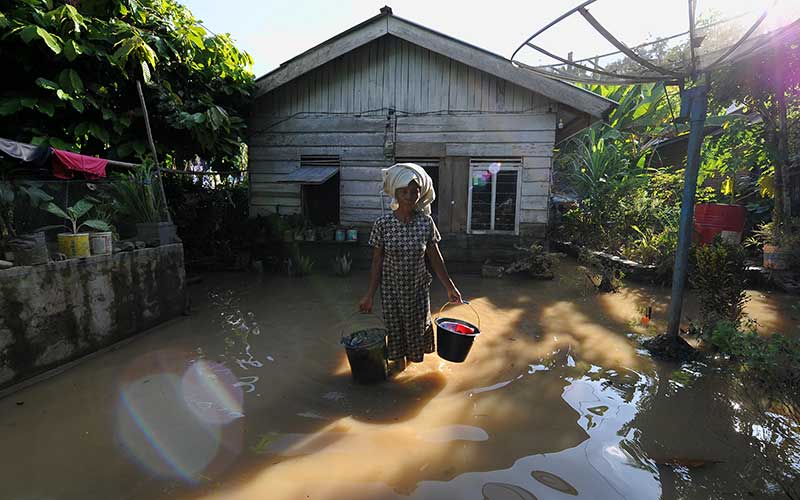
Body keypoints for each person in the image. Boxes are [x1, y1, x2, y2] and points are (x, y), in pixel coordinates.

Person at [359, 163, 462, 372]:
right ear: (396, 194)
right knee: (395, 335)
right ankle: (398, 372)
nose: (410, 196)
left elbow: (435, 257)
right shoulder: (383, 224)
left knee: (416, 335)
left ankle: (408, 376)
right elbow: (377, 261)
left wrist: (450, 287)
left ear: (420, 193)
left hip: (418, 291)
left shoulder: (425, 222)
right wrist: (369, 295)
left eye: (414, 191)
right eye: (404, 191)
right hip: (391, 291)